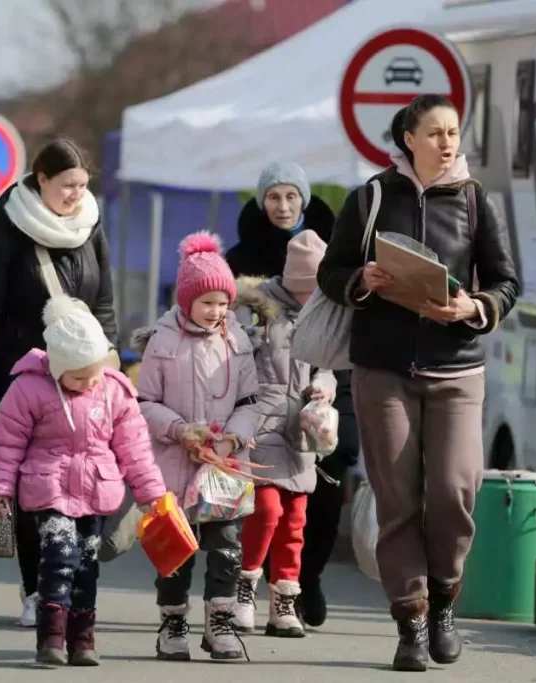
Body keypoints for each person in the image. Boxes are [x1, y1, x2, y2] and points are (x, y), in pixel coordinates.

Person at [317, 95, 519, 672]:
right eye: (435, 133)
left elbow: (505, 283)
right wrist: (362, 278)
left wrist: (473, 307)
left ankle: (444, 598)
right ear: (409, 138)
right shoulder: (370, 198)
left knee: (454, 490)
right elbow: (331, 274)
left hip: (458, 370)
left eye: (452, 132)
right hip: (382, 371)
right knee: (398, 500)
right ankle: (410, 622)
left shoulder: (476, 201)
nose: (447, 142)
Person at [0, 137, 117, 627]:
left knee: (82, 484)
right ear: (41, 179)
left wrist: (109, 363)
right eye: (67, 185)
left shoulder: (90, 226)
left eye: (82, 185)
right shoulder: (6, 235)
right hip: (23, 379)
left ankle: (69, 588)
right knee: (35, 489)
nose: (76, 194)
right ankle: (36, 589)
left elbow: (104, 303)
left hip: (84, 380)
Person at [0, 295, 165, 666]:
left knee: (86, 564)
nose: (88, 383)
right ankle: (51, 637)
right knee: (59, 556)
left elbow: (134, 448)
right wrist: (0, 487)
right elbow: (6, 442)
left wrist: (150, 493)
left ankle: (82, 639)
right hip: (48, 485)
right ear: (57, 368)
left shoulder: (114, 390)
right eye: (78, 377)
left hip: (96, 488)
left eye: (93, 374)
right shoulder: (28, 388)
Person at [224, 161, 357, 628]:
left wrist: (328, 391)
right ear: (262, 202)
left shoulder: (336, 249)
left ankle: (303, 580)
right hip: (266, 395)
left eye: (291, 196)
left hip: (324, 386)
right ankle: (249, 579)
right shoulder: (242, 258)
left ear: (304, 200)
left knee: (323, 485)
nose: (283, 206)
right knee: (266, 503)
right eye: (274, 197)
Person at [134, 231, 260, 662]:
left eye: (223, 303)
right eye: (207, 302)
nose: (216, 311)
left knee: (227, 547)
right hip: (174, 463)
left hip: (225, 465)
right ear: (187, 300)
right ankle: (173, 623)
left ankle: (220, 623)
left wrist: (232, 437)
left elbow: (251, 401)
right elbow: (144, 402)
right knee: (176, 550)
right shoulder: (162, 340)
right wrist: (179, 430)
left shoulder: (237, 339)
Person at [230, 231, 336, 639]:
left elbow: (327, 367)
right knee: (266, 510)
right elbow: (234, 364)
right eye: (305, 289)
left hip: (302, 431)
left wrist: (323, 386)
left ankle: (284, 602)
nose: (311, 296)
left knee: (295, 520)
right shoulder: (258, 310)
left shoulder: (323, 315)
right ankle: (244, 587)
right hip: (262, 425)